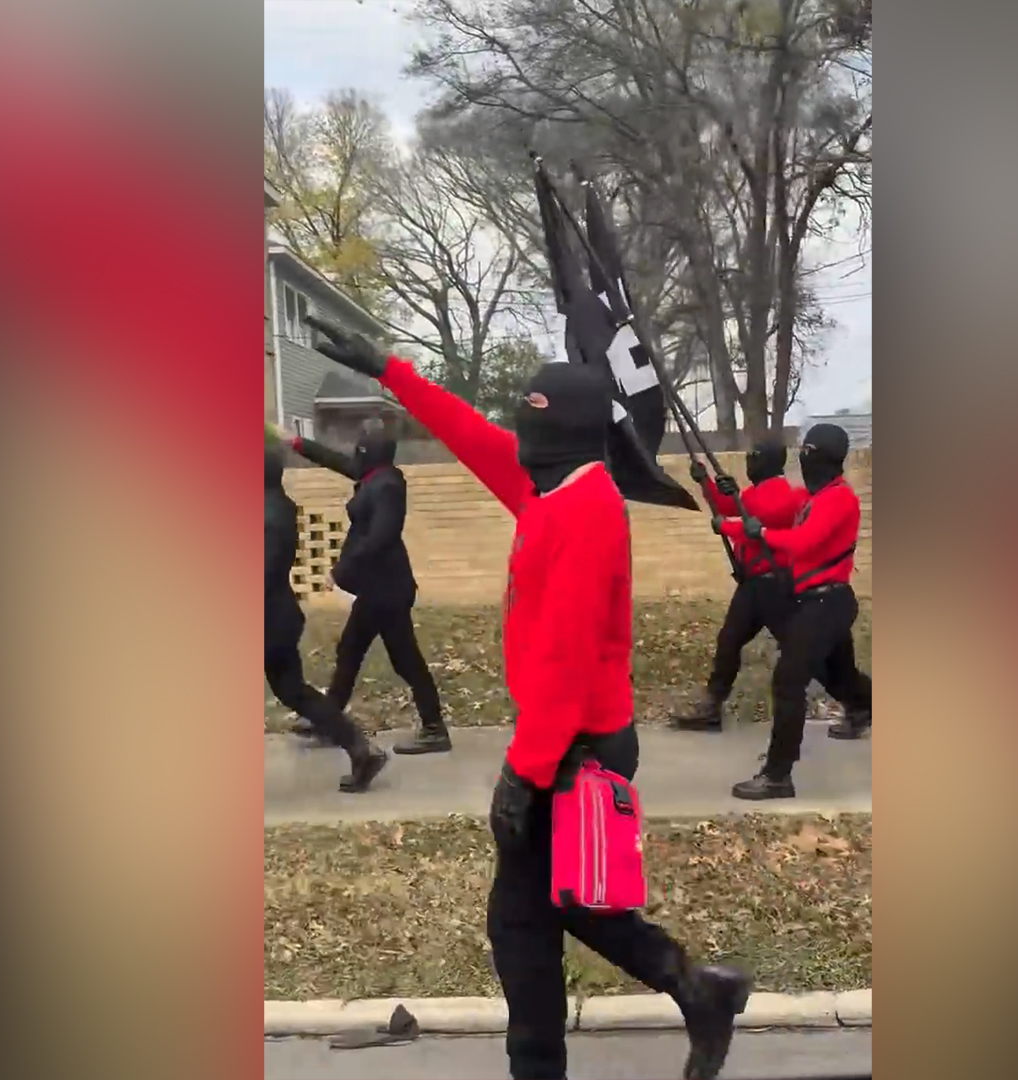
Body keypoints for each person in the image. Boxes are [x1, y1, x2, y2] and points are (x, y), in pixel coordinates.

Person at [304, 314, 752, 1080]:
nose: (516, 438)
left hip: (575, 744)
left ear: (563, 436)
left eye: (530, 423)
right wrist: (391, 370)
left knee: (520, 922)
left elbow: (566, 659)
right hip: (570, 739)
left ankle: (558, 1056)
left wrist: (527, 770)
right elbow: (474, 437)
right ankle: (693, 988)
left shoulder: (587, 511)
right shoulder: (552, 487)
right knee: (562, 906)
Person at [716, 424, 873, 800]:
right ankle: (865, 708)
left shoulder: (839, 499)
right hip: (814, 601)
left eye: (810, 453)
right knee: (840, 678)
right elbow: (763, 511)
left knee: (789, 680)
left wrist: (758, 534)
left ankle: (777, 774)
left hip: (828, 602)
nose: (803, 460)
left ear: (829, 459)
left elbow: (801, 543)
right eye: (802, 452)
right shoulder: (808, 498)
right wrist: (728, 502)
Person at [280, 420, 451, 755]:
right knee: (352, 651)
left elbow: (381, 537)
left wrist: (342, 569)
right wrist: (297, 442)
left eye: (361, 444)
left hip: (387, 590)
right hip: (379, 588)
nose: (356, 448)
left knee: (402, 660)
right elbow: (336, 460)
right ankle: (331, 722)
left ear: (370, 450)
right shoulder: (374, 476)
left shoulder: (387, 485)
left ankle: (434, 729)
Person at [264, 433, 388, 793]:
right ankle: (360, 750)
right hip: (279, 618)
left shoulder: (268, 516)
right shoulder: (277, 506)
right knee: (294, 692)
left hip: (266, 620)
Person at [672, 439, 806, 731]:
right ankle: (712, 705)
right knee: (729, 641)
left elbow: (756, 522)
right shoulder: (754, 492)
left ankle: (854, 698)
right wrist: (705, 480)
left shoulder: (789, 494)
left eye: (754, 458)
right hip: (752, 586)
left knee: (801, 647)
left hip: (775, 585)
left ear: (771, 462)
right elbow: (728, 507)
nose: (749, 464)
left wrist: (727, 520)